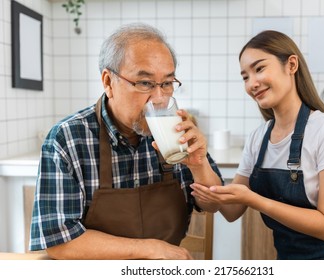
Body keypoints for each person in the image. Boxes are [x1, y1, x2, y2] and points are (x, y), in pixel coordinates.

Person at [29, 23, 222, 260]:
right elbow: (59, 242)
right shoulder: (68, 139)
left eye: (168, 83)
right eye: (145, 83)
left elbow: (214, 205)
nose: (159, 98)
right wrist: (150, 248)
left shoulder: (175, 129)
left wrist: (199, 165)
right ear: (108, 82)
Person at [191, 30, 324, 260]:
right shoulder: (258, 138)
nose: (252, 83)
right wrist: (198, 162)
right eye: (245, 77)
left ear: (291, 65)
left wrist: (254, 199)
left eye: (259, 69)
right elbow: (231, 210)